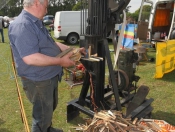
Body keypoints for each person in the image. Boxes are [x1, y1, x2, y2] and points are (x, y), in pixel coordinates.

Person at [8, 0, 86, 131]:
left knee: (48, 108)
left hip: (47, 76)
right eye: (46, 6)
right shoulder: (23, 25)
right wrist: (61, 62)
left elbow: (51, 44)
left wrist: (73, 50)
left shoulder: (36, 22)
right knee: (42, 114)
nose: (47, 10)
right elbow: (30, 58)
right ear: (37, 3)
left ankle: (47, 128)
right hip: (38, 79)